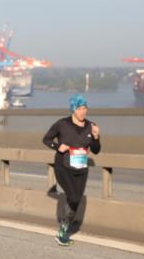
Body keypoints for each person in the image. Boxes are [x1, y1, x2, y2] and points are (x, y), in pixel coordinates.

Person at [42, 94, 101, 246]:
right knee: (73, 198)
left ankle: (64, 230)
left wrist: (95, 137)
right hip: (63, 166)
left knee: (76, 199)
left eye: (85, 108)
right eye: (79, 109)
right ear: (73, 109)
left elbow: (96, 150)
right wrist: (57, 146)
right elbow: (46, 139)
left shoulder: (91, 126)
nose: (83, 112)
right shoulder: (62, 124)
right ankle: (64, 226)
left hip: (81, 169)